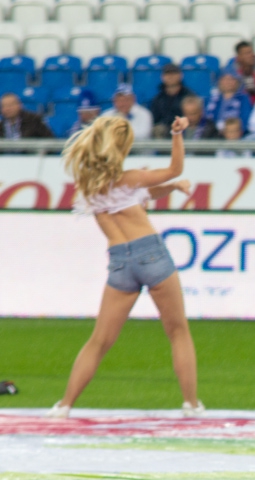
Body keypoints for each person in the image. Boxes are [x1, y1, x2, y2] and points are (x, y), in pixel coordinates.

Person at [46, 115, 204, 419]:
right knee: (177, 331)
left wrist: (170, 188)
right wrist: (176, 135)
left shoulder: (89, 185)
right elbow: (175, 167)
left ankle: (64, 405)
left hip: (120, 261)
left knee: (100, 341)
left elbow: (137, 197)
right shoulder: (130, 177)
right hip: (150, 253)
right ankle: (191, 404)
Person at [150, 63, 195, 139]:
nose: (170, 76)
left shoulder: (189, 96)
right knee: (158, 129)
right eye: (167, 74)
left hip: (184, 128)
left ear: (180, 75)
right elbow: (155, 119)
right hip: (164, 132)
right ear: (162, 77)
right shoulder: (158, 99)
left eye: (174, 73)